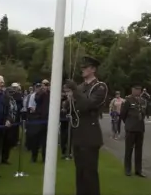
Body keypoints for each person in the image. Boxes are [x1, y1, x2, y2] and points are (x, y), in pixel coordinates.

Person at [65, 55, 108, 195]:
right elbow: (70, 108)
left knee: (90, 174)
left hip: (90, 135)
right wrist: (68, 99)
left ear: (93, 69)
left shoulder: (100, 87)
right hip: (78, 134)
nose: (82, 69)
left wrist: (75, 92)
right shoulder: (81, 87)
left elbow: (87, 105)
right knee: (80, 173)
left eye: (86, 67)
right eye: (82, 67)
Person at [120, 83, 146, 178]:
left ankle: (138, 170)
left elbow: (143, 113)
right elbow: (123, 114)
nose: (138, 91)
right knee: (129, 150)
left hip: (140, 128)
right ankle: (127, 169)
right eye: (136, 89)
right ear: (132, 90)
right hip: (131, 128)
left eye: (139, 90)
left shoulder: (143, 101)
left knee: (139, 151)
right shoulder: (128, 100)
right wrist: (128, 123)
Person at [31, 79, 50, 163]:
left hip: (47, 119)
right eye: (44, 84)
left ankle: (44, 158)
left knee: (45, 141)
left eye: (47, 84)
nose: (45, 86)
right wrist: (42, 92)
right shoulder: (38, 94)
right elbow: (37, 100)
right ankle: (33, 157)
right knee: (35, 139)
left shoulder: (51, 94)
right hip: (38, 119)